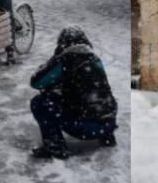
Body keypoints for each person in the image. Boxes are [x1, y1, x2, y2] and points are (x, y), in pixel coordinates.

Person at [29, 26, 117, 159]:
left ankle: (55, 147)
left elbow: (36, 82)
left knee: (40, 102)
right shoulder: (95, 59)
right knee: (98, 94)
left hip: (84, 128)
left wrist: (54, 59)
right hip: (108, 123)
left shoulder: (66, 59)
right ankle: (107, 136)